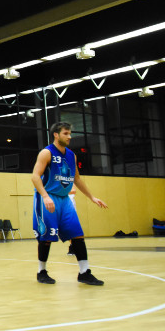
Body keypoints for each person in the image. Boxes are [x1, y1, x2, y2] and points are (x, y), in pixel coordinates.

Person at [32, 122, 108, 286]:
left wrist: (92, 197)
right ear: (56, 135)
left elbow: (77, 179)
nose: (69, 136)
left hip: (64, 200)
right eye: (66, 133)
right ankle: (41, 271)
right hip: (47, 197)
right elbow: (35, 177)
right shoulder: (46, 153)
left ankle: (84, 272)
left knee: (77, 235)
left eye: (70, 133)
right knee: (46, 237)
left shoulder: (71, 155)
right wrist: (45, 196)